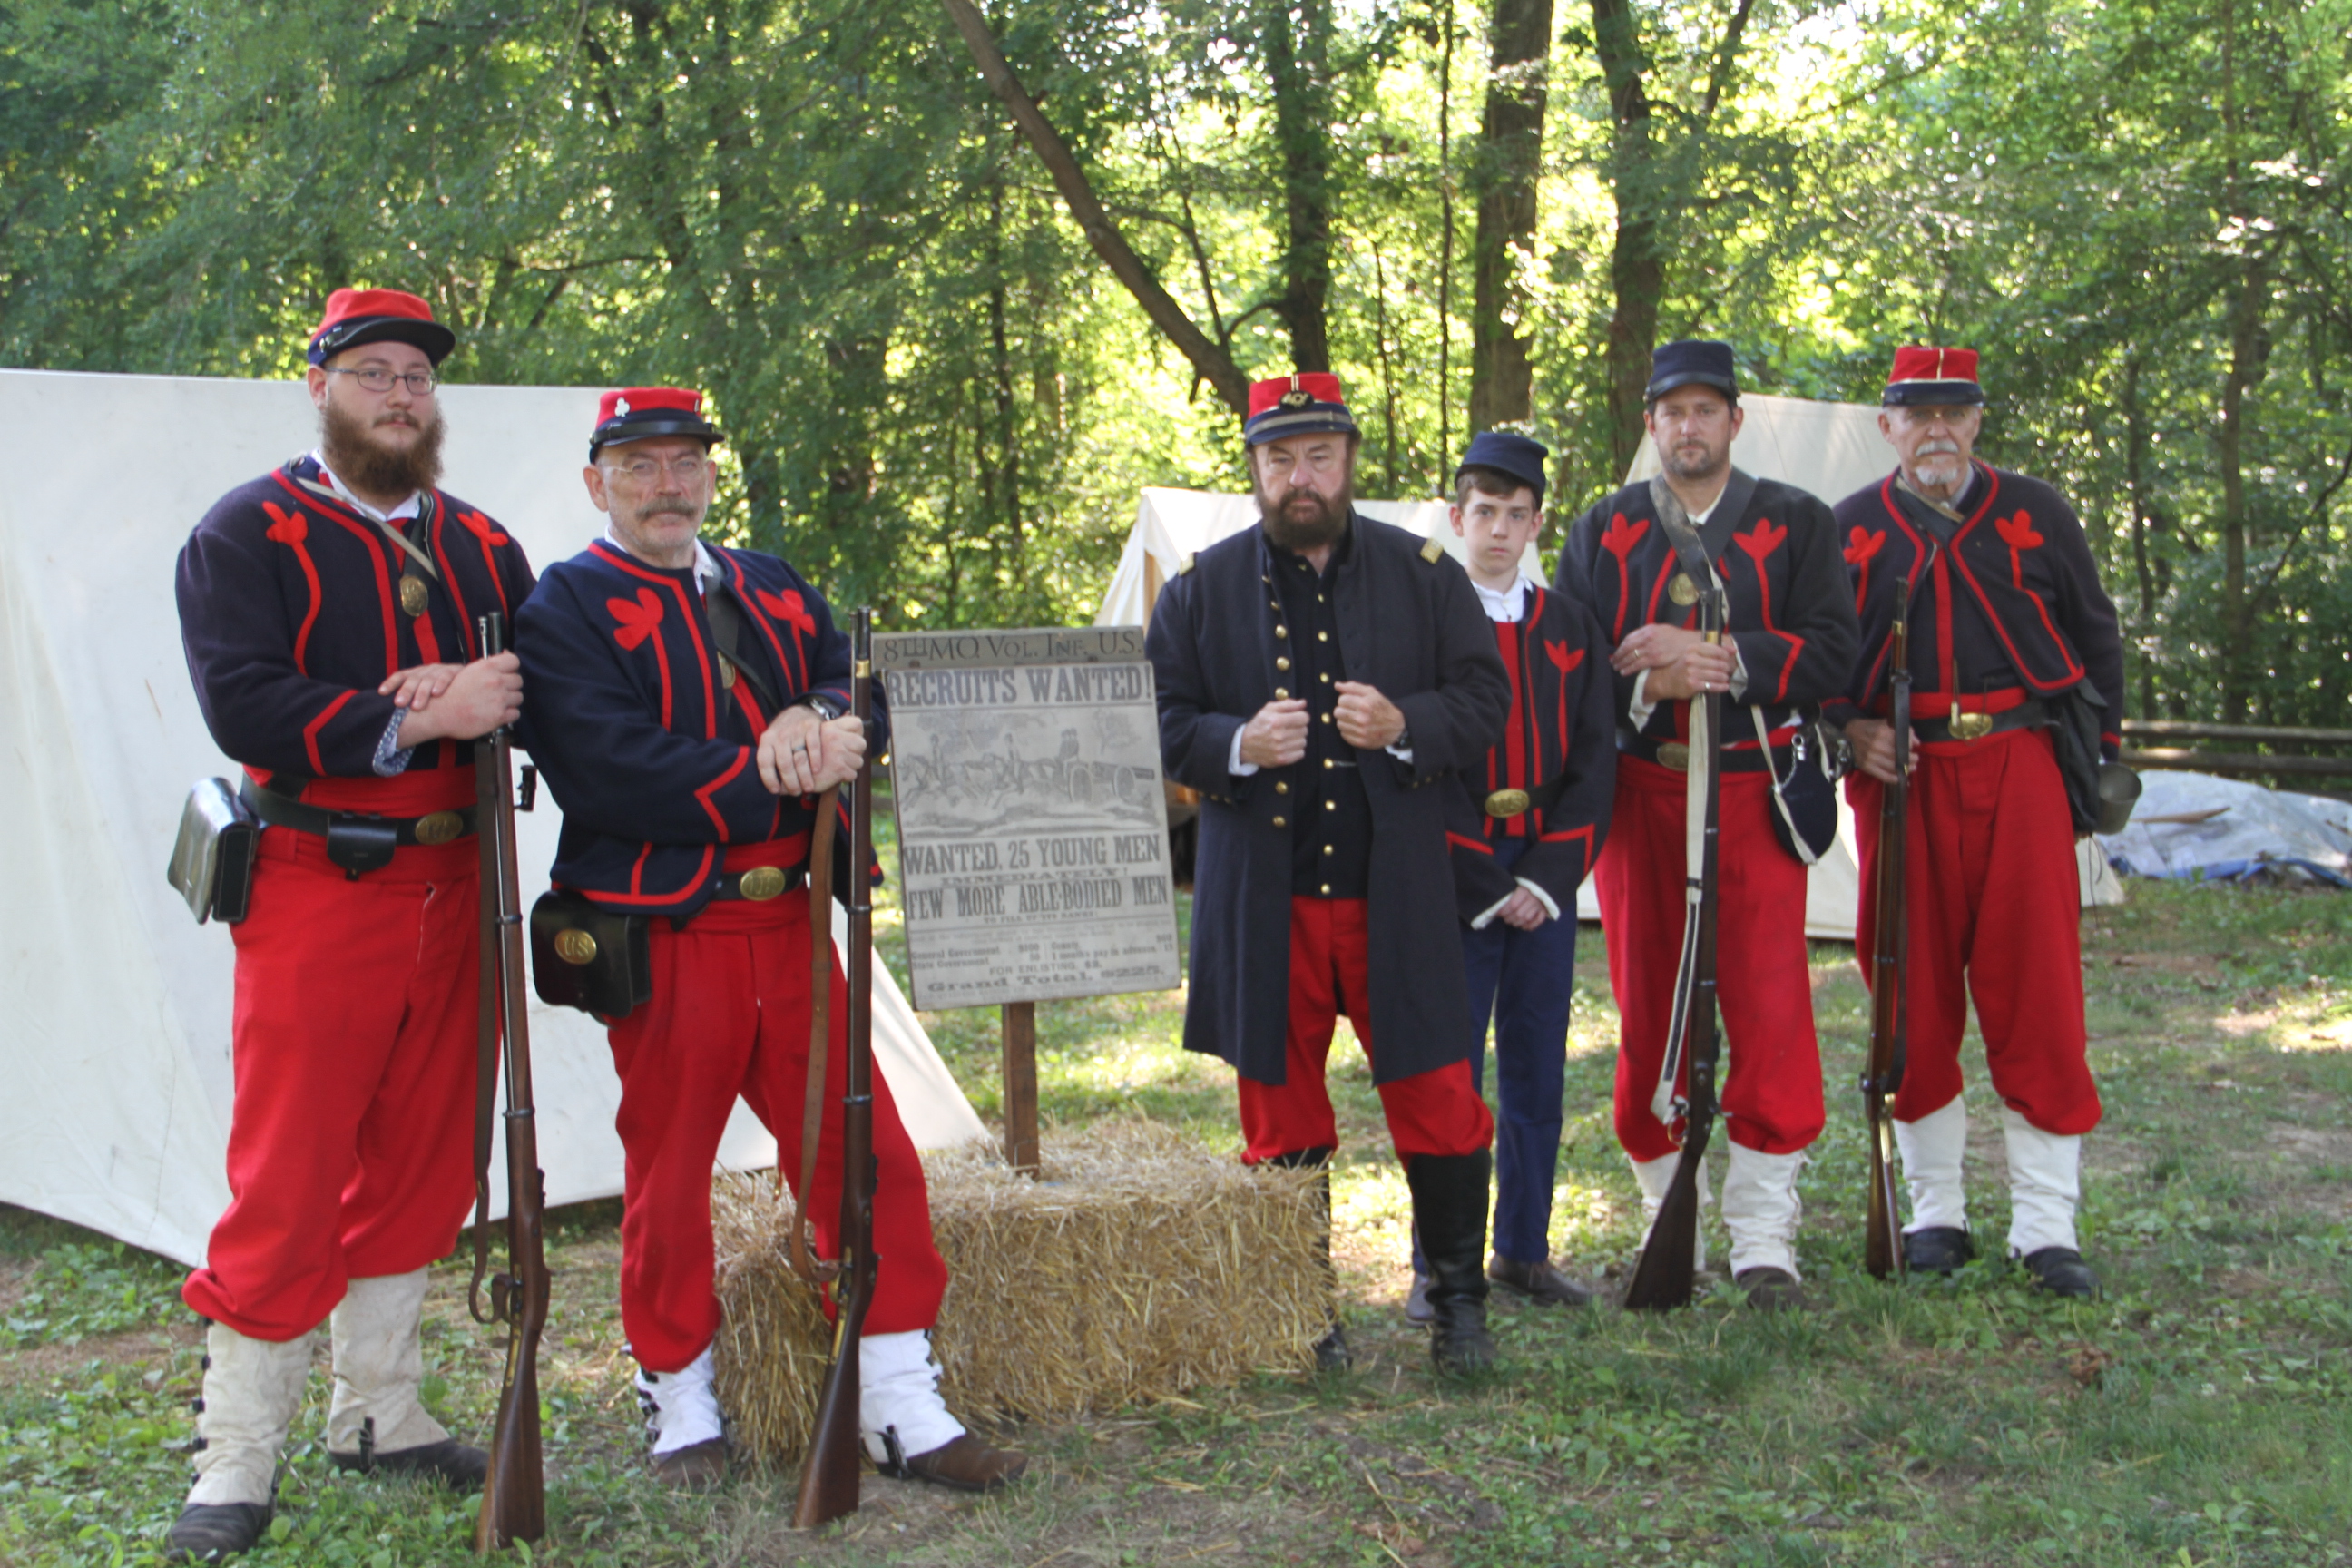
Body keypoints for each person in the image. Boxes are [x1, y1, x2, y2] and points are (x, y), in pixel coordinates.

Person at [514, 387, 1025, 1491]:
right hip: (668, 935)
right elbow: (604, 768)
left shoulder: (774, 583)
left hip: (792, 925)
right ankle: (681, 1399)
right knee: (666, 1172)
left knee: (866, 1155)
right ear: (598, 483)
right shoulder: (563, 607)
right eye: (640, 466)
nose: (667, 485)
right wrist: (768, 764)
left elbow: (858, 696)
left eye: (685, 462)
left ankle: (896, 1397)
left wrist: (819, 719)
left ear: (708, 474)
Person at [171, 288, 534, 1559]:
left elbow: (540, 684)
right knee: (289, 1167)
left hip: (458, 881)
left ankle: (378, 1410)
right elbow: (245, 702)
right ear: (319, 387)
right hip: (323, 882)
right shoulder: (248, 533)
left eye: (416, 380)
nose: (397, 397)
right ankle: (238, 1453)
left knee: (429, 1156)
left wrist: (494, 694)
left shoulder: (485, 546)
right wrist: (417, 715)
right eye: (372, 374)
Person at [1147, 373, 1511, 1371]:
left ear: (1349, 460)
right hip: (1265, 902)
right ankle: (1301, 1312)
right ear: (1255, 468)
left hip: (1397, 897)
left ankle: (1459, 1304)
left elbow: (1486, 700)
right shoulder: (1198, 589)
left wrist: (1407, 726)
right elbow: (1155, 724)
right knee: (1279, 1112)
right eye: (1278, 458)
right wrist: (1233, 743)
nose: (1298, 477)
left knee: (1439, 1094)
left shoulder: (1426, 574)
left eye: (1317, 455)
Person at [1554, 340, 1857, 1308]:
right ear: (1651, 424)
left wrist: (1717, 656)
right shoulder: (1603, 528)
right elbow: (1563, 663)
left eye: (1705, 410)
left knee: (1769, 1007)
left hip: (1754, 788)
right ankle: (1662, 1215)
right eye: (1670, 411)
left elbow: (1835, 653)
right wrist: (1649, 676)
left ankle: (1766, 1236)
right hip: (1645, 796)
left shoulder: (1798, 522)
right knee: (1651, 1003)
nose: (1689, 427)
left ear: (1734, 421)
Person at [1827, 347, 2122, 1298]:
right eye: (1918, 414)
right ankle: (1935, 1214)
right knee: (1908, 998)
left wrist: (2095, 762)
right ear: (1889, 427)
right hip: (1901, 777)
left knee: (2038, 990)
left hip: (2021, 762)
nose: (1937, 430)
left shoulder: (2037, 513)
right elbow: (1816, 660)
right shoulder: (1849, 528)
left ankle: (2046, 1226)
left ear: (1979, 421)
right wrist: (1850, 732)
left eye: (1954, 412)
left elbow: (2096, 633)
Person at [1402, 433, 1615, 1321]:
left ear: (1536, 522)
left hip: (1545, 882)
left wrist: (1550, 875)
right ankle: (1438, 1265)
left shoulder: (1569, 626)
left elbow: (1597, 759)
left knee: (1536, 1072)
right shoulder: (1421, 621)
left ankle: (1523, 1249)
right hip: (1459, 883)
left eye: (1515, 513)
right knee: (1449, 1076)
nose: (1497, 529)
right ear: (1457, 518)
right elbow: (1414, 761)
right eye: (1482, 512)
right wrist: (1483, 880)